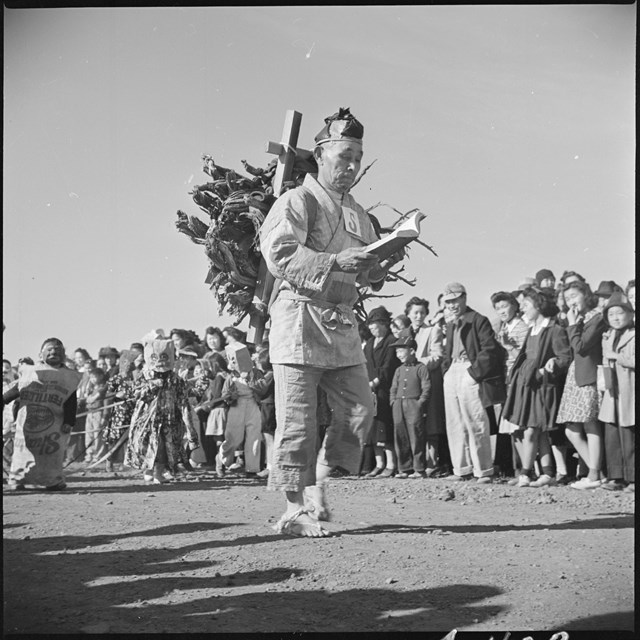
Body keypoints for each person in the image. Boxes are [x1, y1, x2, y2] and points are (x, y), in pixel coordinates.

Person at [259, 107, 400, 537]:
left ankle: (317, 481)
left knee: (361, 410)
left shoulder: (357, 212)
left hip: (340, 322)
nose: (352, 166)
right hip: (298, 316)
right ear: (321, 155)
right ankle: (294, 510)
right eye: (344, 156)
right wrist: (337, 259)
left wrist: (383, 259)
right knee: (298, 420)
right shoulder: (297, 201)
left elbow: (367, 273)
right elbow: (280, 252)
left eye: (358, 157)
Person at [501, 288, 571, 487]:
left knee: (532, 430)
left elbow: (564, 357)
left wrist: (550, 366)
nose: (522, 308)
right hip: (528, 385)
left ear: (538, 305)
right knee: (536, 431)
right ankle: (547, 473)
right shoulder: (532, 329)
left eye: (526, 305)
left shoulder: (554, 330)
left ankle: (525, 473)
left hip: (543, 386)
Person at [441, 282, 506, 484]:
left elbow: (490, 350)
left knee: (475, 420)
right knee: (454, 423)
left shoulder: (478, 320)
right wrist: (447, 370)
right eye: (448, 301)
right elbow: (447, 351)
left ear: (464, 298)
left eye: (455, 300)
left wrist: (474, 373)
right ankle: (462, 469)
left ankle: (483, 470)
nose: (452, 305)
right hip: (454, 370)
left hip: (470, 370)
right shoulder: (451, 324)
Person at [3, 338, 81, 491]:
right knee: (23, 453)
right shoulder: (31, 372)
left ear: (64, 355)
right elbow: (16, 390)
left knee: (52, 456)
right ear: (40, 354)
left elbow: (71, 401)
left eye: (58, 350)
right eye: (50, 349)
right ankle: (17, 479)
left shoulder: (69, 377)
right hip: (27, 425)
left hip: (55, 427)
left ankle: (53, 481)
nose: (54, 352)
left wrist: (69, 421)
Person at [556, 280, 608, 489]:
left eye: (575, 296)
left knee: (590, 424)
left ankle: (594, 473)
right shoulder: (578, 318)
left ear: (586, 295)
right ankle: (597, 472)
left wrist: (571, 324)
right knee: (571, 429)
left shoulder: (596, 317)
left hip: (589, 375)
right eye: (568, 299)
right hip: (575, 375)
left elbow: (581, 346)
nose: (571, 302)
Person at [125, 339, 199, 484]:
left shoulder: (176, 379)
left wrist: (189, 427)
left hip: (169, 419)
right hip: (147, 420)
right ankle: (147, 470)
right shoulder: (144, 376)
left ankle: (158, 473)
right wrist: (150, 387)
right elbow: (134, 394)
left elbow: (183, 400)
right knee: (149, 444)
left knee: (165, 448)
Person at [405, 296, 446, 476]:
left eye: (422, 312)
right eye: (415, 312)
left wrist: (416, 362)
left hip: (427, 381)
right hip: (410, 384)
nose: (419, 316)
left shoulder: (433, 330)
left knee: (430, 423)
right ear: (408, 314)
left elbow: (437, 357)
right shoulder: (404, 333)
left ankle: (432, 462)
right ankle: (416, 464)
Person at [598, 292, 634, 492]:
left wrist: (617, 357)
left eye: (620, 313)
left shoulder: (634, 334)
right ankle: (616, 476)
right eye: (611, 315)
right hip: (612, 392)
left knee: (629, 435)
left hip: (629, 391)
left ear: (630, 314)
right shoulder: (608, 335)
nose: (615, 318)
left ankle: (633, 478)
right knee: (612, 434)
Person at [492, 291, 530, 478]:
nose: (501, 311)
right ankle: (515, 468)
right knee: (509, 428)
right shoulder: (503, 328)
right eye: (497, 308)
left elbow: (524, 358)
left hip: (517, 380)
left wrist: (508, 347)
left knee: (517, 426)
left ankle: (524, 468)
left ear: (515, 306)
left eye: (504, 306)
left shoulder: (521, 328)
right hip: (505, 380)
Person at [362, 306, 400, 478]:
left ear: (384, 324)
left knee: (384, 428)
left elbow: (388, 368)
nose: (371, 327)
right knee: (373, 429)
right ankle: (379, 464)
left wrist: (375, 382)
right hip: (369, 391)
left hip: (384, 390)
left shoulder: (391, 341)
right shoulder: (369, 344)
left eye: (374, 323)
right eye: (369, 324)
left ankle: (391, 464)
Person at [389, 335, 431, 478]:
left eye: (401, 351)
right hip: (399, 405)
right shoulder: (399, 370)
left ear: (412, 351)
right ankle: (404, 469)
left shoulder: (421, 368)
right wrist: (393, 402)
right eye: (397, 352)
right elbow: (393, 387)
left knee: (416, 436)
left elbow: (426, 387)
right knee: (400, 436)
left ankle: (419, 469)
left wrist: (420, 403)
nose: (398, 355)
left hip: (413, 404)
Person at [103, 349, 139, 472]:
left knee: (132, 440)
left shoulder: (136, 380)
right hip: (119, 414)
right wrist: (117, 395)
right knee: (116, 440)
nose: (132, 366)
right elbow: (105, 394)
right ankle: (109, 461)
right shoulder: (116, 379)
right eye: (130, 363)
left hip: (134, 413)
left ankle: (127, 463)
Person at [84, 367, 108, 464]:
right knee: (88, 434)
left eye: (95, 377)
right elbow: (87, 399)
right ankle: (89, 454)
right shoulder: (91, 388)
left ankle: (98, 455)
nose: (92, 379)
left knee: (97, 434)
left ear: (101, 376)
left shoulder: (103, 387)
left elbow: (94, 399)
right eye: (91, 377)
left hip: (98, 411)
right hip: (90, 412)